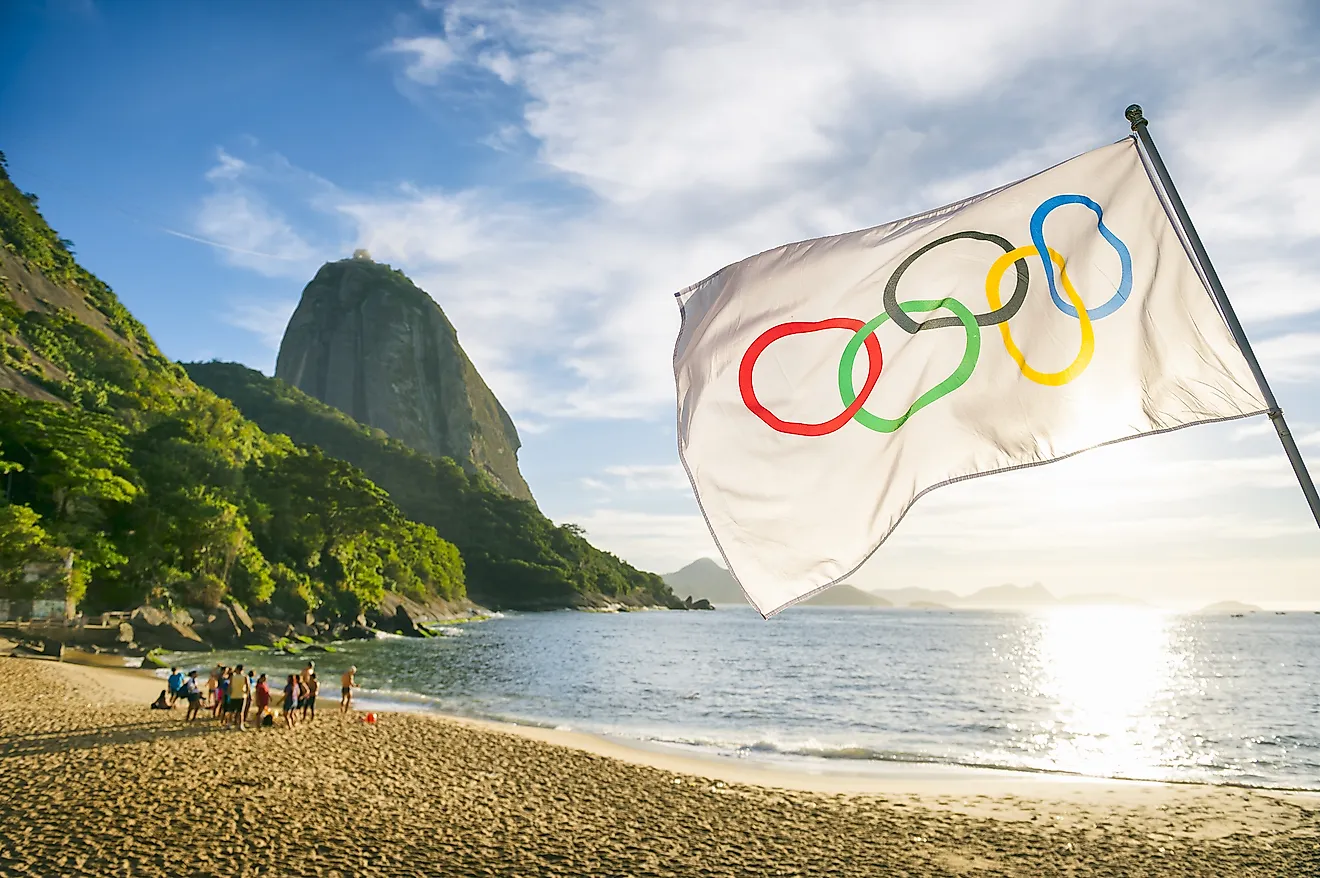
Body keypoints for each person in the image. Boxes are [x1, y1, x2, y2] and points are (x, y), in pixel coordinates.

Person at [227, 664, 250, 731]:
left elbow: (229, 686)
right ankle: (240, 725)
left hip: (233, 696)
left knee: (231, 711)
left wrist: (229, 694)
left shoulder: (232, 677)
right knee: (240, 712)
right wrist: (247, 694)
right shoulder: (245, 676)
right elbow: (248, 687)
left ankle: (229, 724)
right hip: (241, 696)